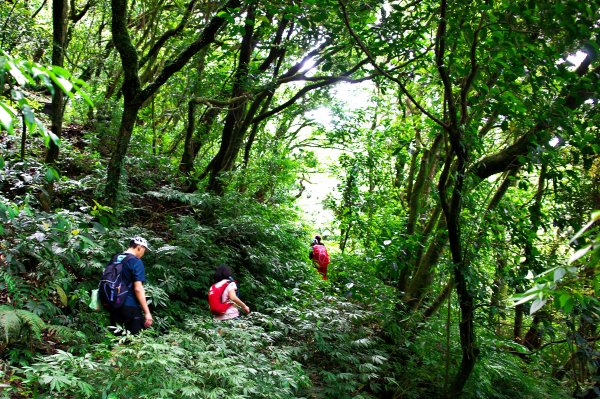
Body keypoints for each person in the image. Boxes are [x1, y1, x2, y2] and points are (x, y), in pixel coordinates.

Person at [106, 237, 153, 335]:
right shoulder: (135, 261)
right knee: (134, 340)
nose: (143, 253)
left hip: (113, 303)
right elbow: (138, 289)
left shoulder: (115, 258)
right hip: (129, 304)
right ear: (139, 247)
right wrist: (147, 312)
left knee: (117, 338)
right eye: (144, 250)